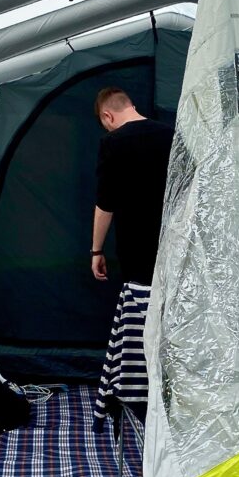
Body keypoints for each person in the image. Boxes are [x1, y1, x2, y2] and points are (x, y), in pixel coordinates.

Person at [90, 87, 173, 421]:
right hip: (174, 256)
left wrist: (96, 249)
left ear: (108, 116)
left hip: (138, 259)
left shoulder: (113, 143)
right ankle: (167, 395)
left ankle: (139, 399)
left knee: (139, 332)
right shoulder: (173, 135)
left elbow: (105, 203)